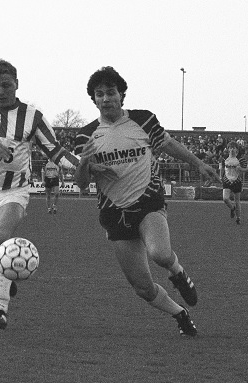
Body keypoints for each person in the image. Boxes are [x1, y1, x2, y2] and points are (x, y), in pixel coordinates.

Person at [74, 66, 221, 336]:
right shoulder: (85, 136)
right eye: (99, 94)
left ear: (121, 95)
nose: (106, 99)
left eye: (110, 92)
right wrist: (85, 162)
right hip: (113, 212)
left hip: (148, 202)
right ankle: (180, 313)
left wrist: (198, 163)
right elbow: (82, 183)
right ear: (93, 99)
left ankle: (178, 272)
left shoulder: (143, 120)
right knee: (143, 288)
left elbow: (169, 145)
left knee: (160, 253)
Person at [0, 59, 78, 329]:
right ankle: (3, 275)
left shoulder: (33, 117)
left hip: (13, 192)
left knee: (1, 239)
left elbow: (55, 151)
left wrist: (83, 167)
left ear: (17, 84)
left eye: (6, 85)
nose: (0, 91)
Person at [220, 141, 248, 225]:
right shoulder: (224, 158)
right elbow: (221, 168)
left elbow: (246, 169)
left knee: (237, 200)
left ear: (237, 150)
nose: (232, 149)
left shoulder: (240, 159)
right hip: (227, 180)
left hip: (237, 181)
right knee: (225, 198)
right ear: (228, 149)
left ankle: (238, 218)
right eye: (230, 147)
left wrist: (240, 169)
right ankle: (232, 208)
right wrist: (220, 177)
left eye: (234, 148)